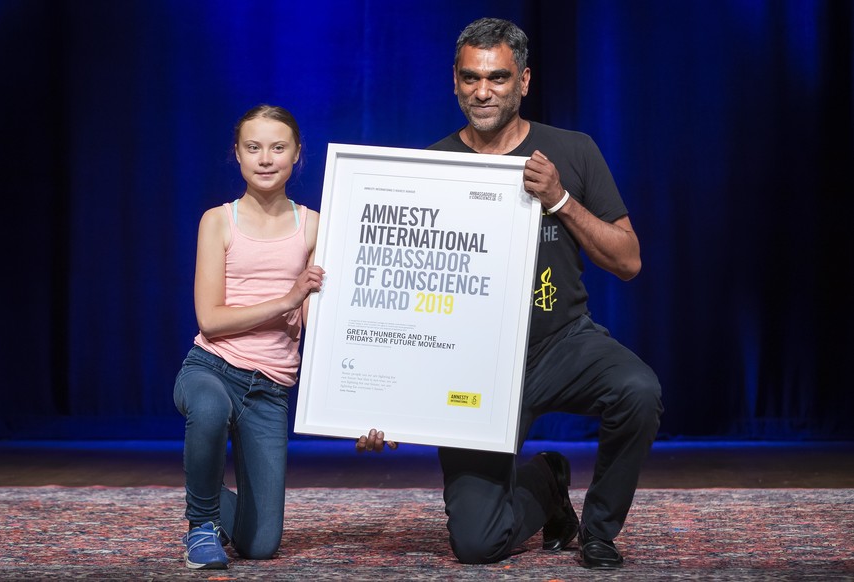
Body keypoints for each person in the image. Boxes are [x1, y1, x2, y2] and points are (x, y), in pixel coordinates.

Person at [357, 18, 663, 569]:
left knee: (638, 390)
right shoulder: (430, 168)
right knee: (477, 546)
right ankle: (547, 485)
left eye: (498, 78)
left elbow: (629, 260)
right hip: (471, 366)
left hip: (561, 342)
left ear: (524, 80)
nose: (483, 91)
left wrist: (561, 199)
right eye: (470, 78)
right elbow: (402, 290)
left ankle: (598, 530)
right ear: (453, 81)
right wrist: (385, 400)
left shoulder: (571, 151)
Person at [173, 104, 324, 569]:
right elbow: (211, 320)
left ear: (297, 155)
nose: (265, 158)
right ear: (236, 155)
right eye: (253, 148)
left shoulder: (314, 225)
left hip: (269, 390)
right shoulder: (218, 221)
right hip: (211, 370)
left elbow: (317, 322)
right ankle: (200, 525)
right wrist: (286, 300)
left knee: (262, 545)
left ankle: (202, 483)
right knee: (211, 409)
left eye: (278, 148)